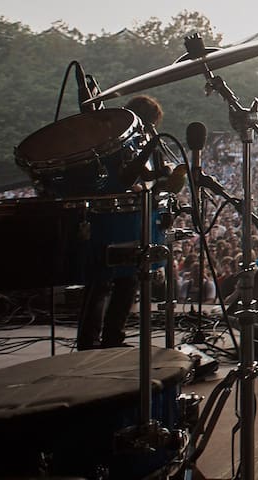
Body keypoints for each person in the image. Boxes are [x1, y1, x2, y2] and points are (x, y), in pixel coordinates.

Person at [77, 94, 166, 350]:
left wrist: (159, 175)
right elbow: (122, 178)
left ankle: (113, 338)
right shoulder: (111, 141)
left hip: (129, 218)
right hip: (107, 217)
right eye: (151, 123)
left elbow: (144, 176)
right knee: (101, 283)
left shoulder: (138, 144)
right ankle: (89, 341)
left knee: (128, 281)